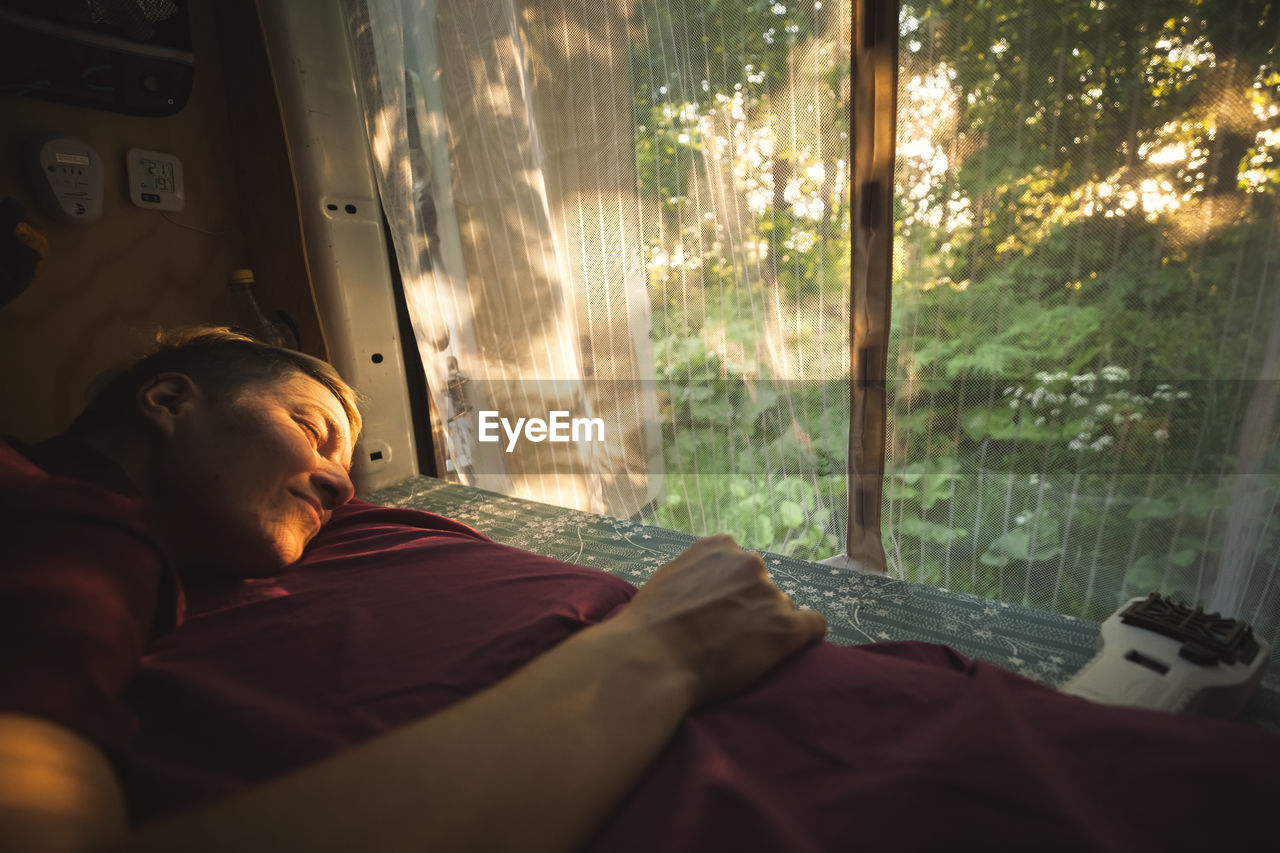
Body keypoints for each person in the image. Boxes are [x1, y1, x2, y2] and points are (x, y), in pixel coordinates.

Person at [0, 326, 827, 853]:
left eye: (345, 467)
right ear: (169, 399)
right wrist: (659, 646)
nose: (337, 485)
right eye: (312, 432)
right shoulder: (69, 530)